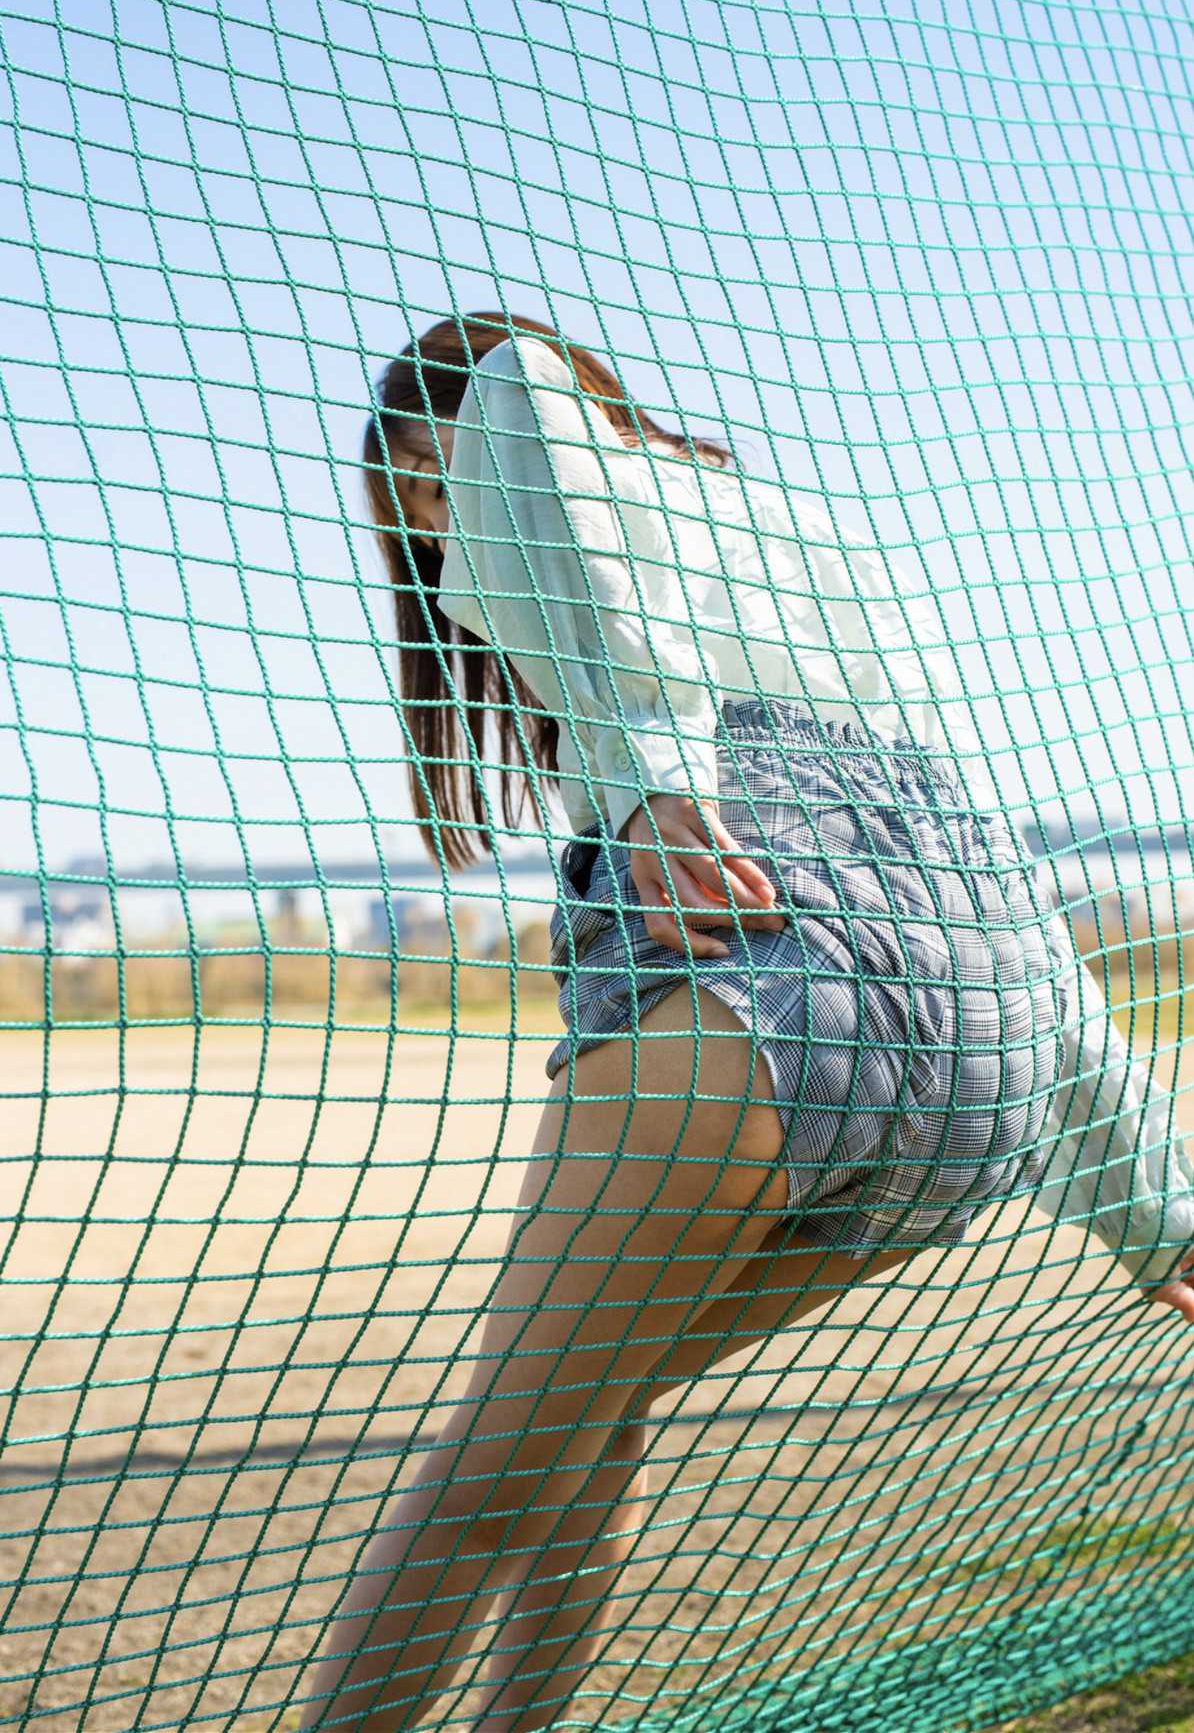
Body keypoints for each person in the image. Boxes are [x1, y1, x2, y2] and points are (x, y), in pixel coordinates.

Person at [298, 312, 1194, 1733]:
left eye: (437, 479)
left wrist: (652, 778)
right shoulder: (791, 537)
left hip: (758, 997)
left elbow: (522, 401)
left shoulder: (549, 469)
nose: (439, 524)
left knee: (487, 1471)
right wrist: (1159, 1205)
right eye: (418, 501)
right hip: (985, 1063)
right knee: (588, 1411)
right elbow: (995, 900)